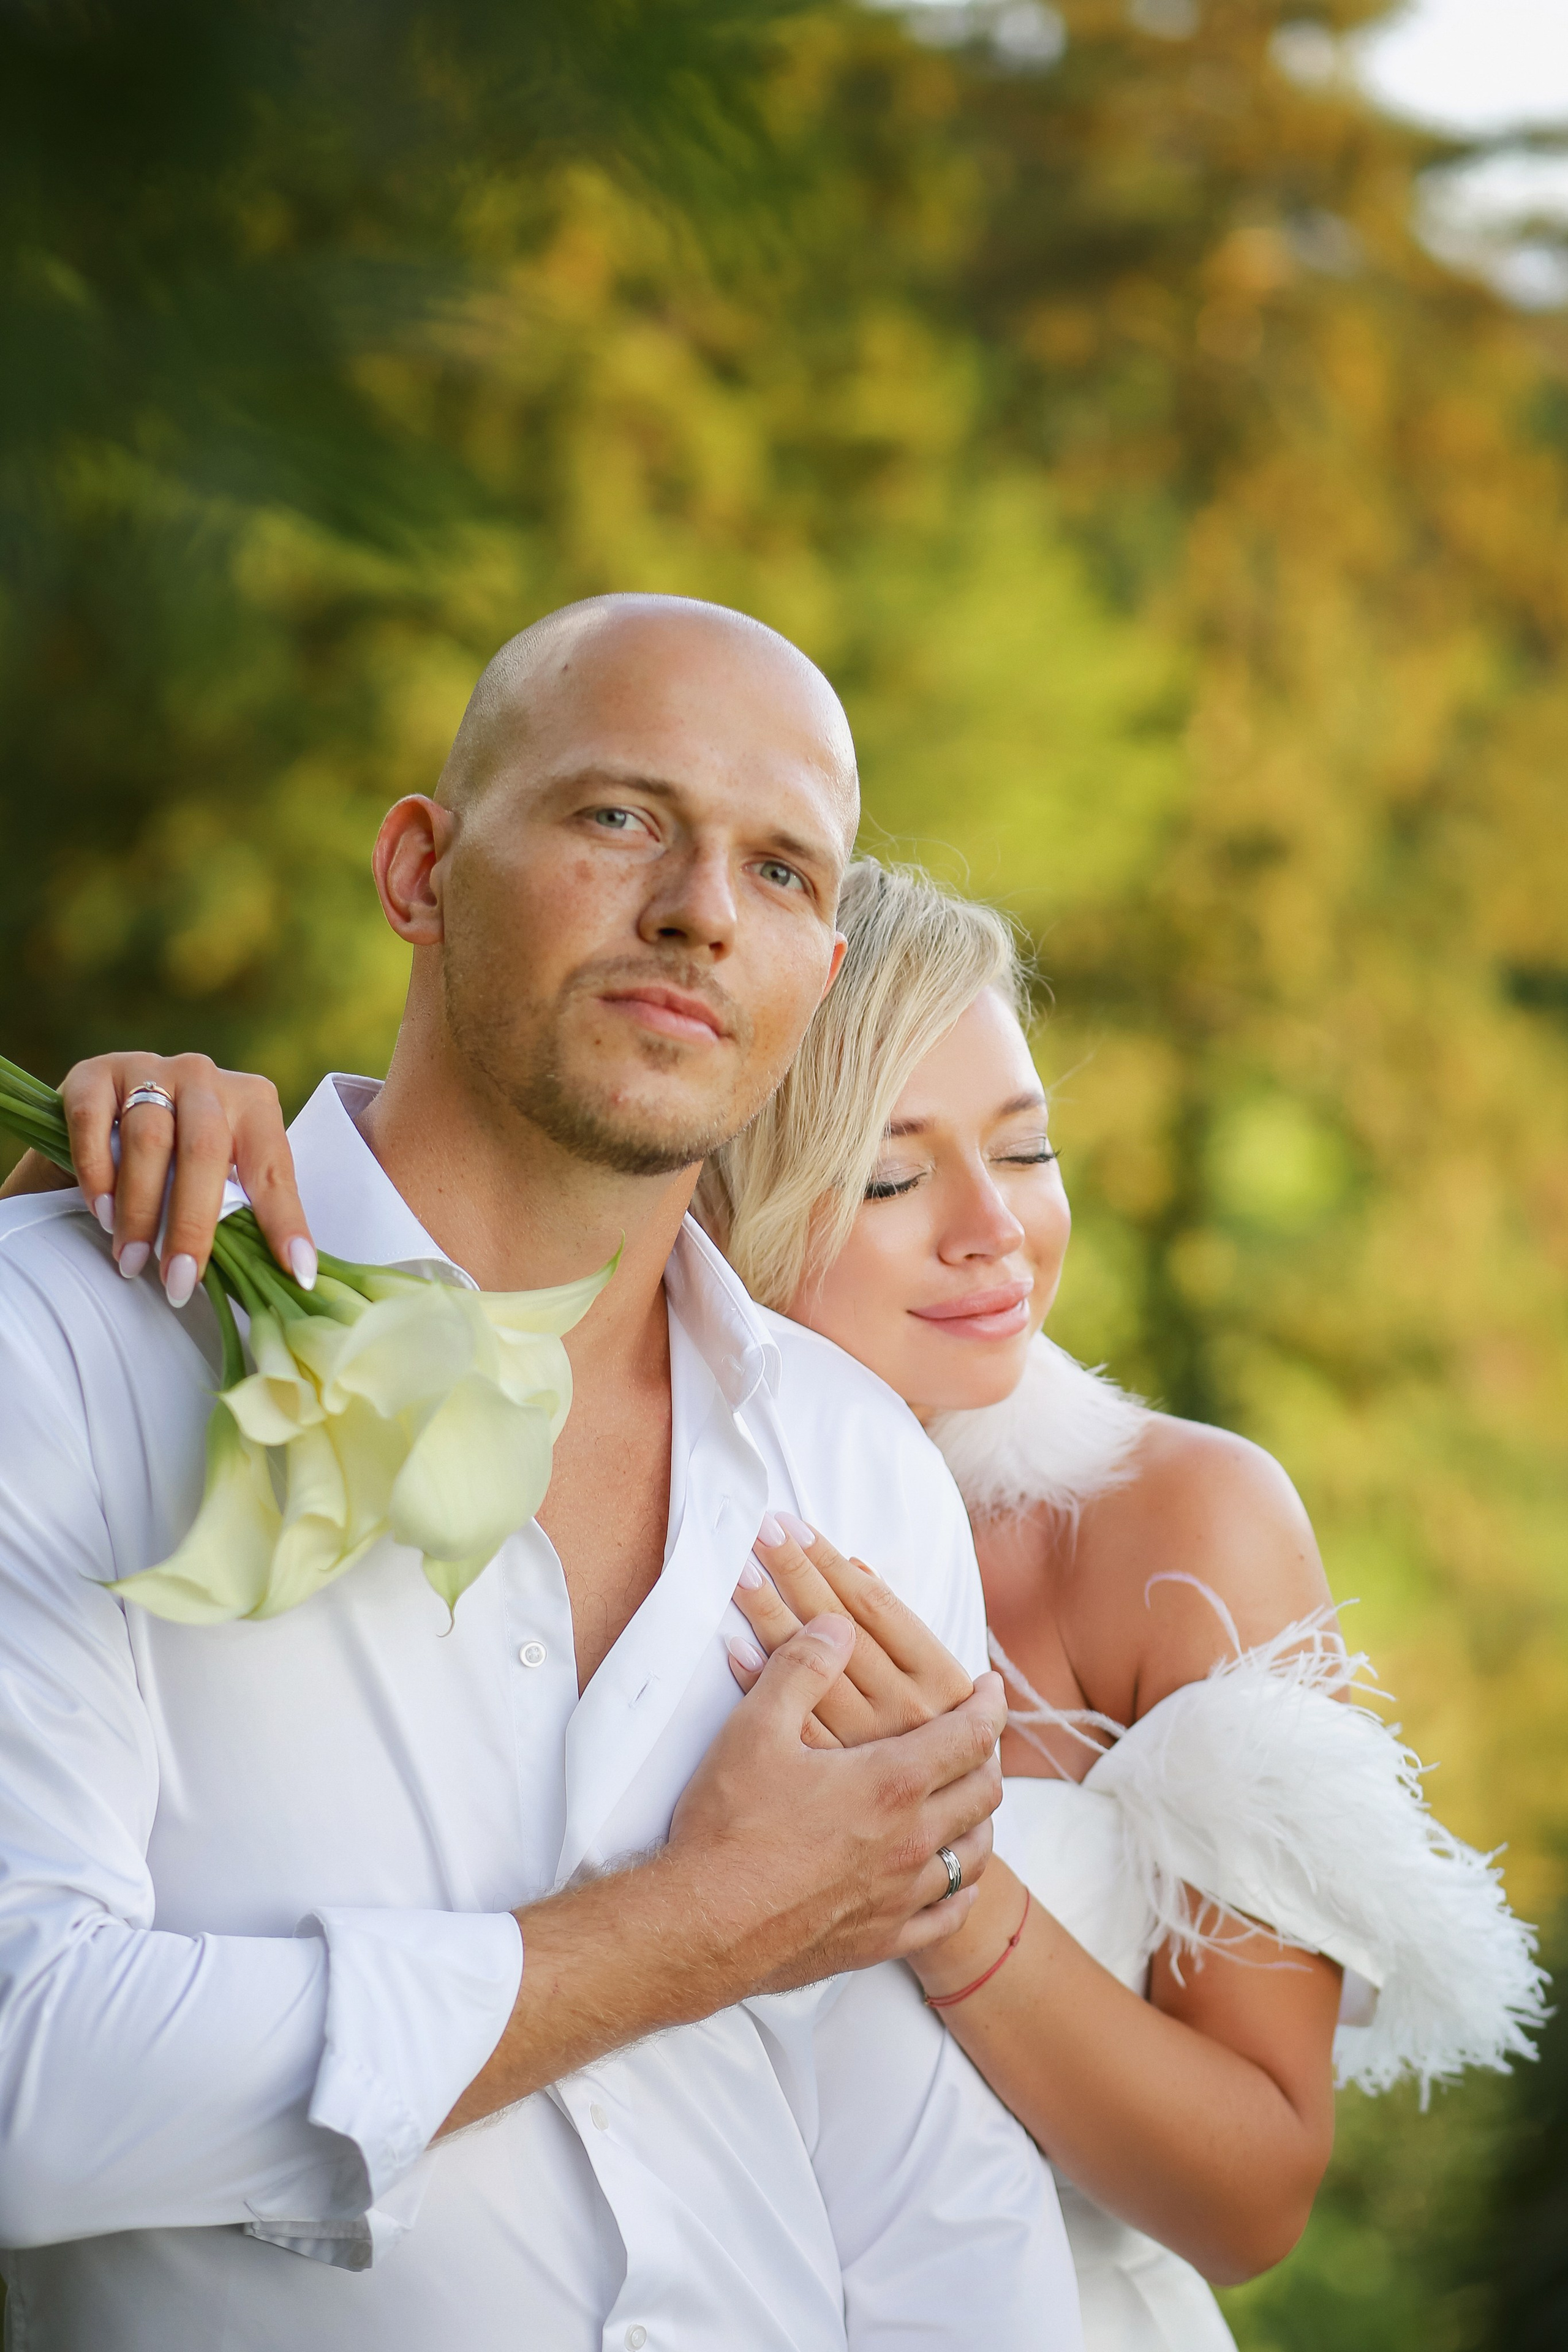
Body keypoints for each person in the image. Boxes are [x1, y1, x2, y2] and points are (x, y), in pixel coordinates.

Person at [44, 858, 1548, 2349]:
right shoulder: (533, 1466)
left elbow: (1253, 2201)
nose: (990, 1232)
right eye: (889, 1175)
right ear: (710, 1177)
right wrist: (160, 1156)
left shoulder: (1174, 1525)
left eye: (1023, 1152)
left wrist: (934, 1880)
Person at [0, 600, 1082, 2352]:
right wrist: (694, 1926)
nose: (701, 912)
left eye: (786, 873)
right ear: (422, 868)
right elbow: (25, 2082)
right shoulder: (69, 1344)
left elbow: (926, 2195)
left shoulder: (860, 1472)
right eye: (619, 818)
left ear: (818, 978)